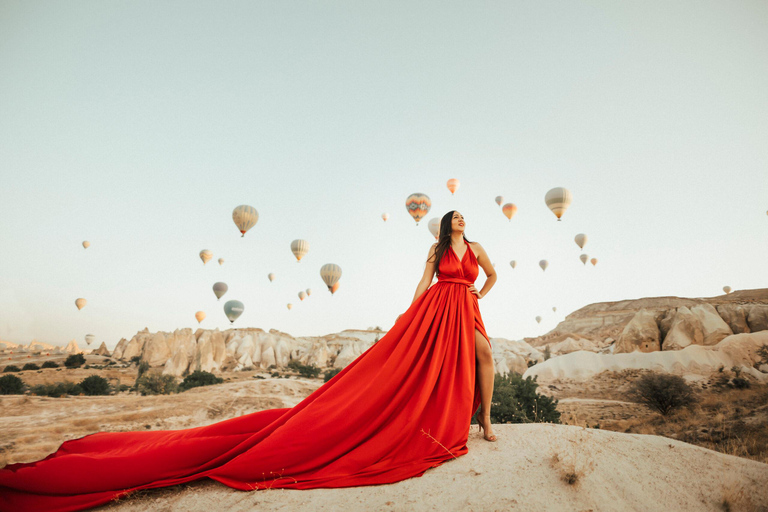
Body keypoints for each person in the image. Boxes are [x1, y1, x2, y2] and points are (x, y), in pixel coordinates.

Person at [0, 210, 497, 512]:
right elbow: (422, 282)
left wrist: (480, 292)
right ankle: (469, 419)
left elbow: (492, 275)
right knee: (431, 363)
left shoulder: (475, 248)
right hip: (437, 307)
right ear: (446, 221)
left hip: (466, 303)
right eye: (453, 217)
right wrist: (411, 310)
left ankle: (486, 419)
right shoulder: (434, 251)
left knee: (483, 356)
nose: (458, 222)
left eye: (460, 218)